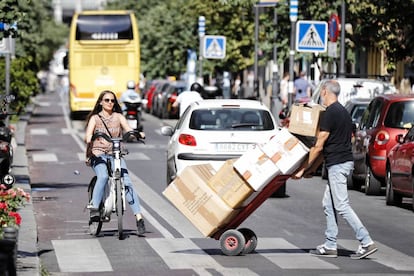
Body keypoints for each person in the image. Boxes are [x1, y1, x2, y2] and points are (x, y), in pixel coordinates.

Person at [294, 80, 378, 259]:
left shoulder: (330, 114)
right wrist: (312, 169)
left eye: (321, 93)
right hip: (340, 162)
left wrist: (303, 168)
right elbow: (327, 149)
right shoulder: (343, 112)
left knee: (341, 205)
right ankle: (330, 244)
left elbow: (318, 146)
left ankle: (366, 241)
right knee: (328, 203)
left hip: (338, 165)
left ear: (324, 92)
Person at [85, 90, 146, 235]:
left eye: (112, 100)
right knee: (104, 176)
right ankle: (94, 207)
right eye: (106, 100)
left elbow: (128, 129)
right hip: (98, 154)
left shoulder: (118, 117)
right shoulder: (95, 118)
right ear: (101, 102)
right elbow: (88, 134)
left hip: (116, 154)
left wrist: (137, 133)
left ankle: (139, 217)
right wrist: (90, 139)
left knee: (127, 182)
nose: (110, 103)